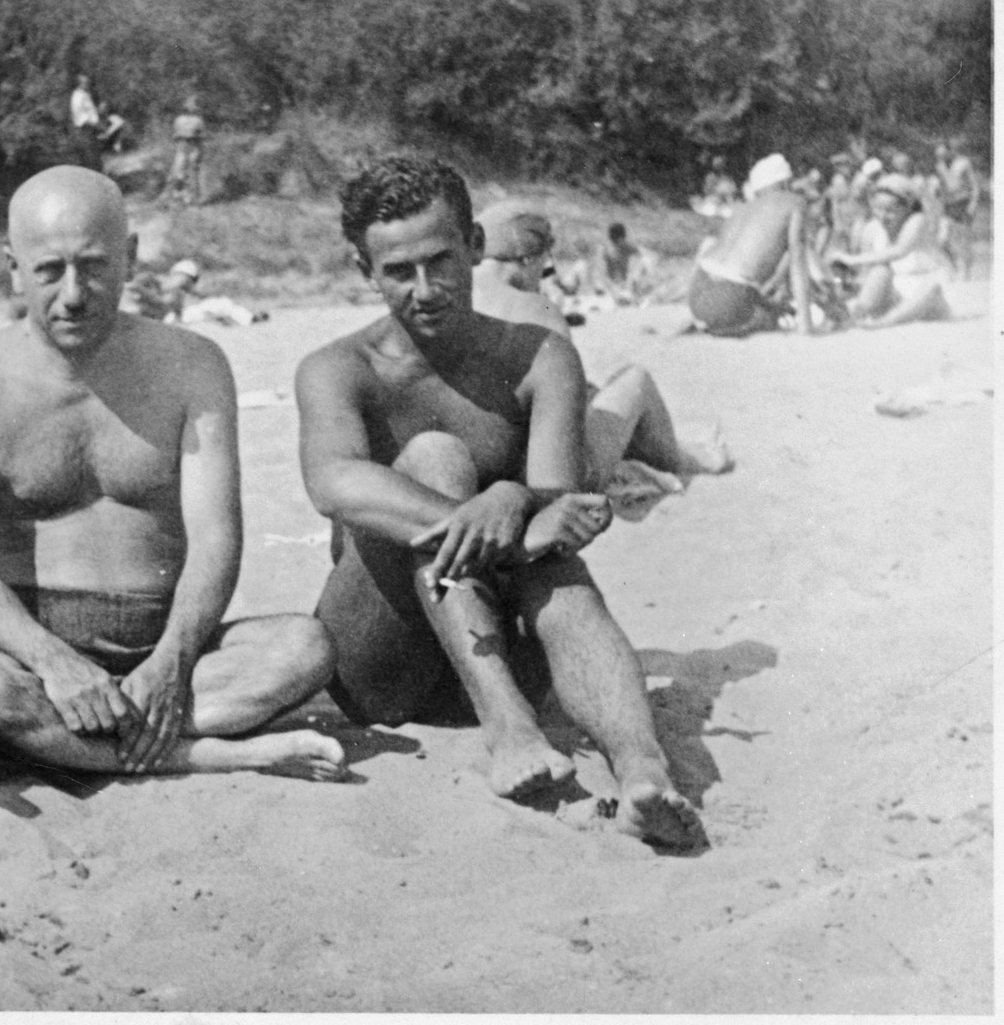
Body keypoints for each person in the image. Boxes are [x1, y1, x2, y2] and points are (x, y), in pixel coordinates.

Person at [295, 156, 701, 847]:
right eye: (397, 272)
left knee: (558, 572)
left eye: (439, 261)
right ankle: (508, 730)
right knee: (434, 458)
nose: (424, 290)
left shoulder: (537, 356)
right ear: (364, 270)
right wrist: (513, 513)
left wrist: (516, 497)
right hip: (381, 665)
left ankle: (642, 774)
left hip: (509, 645)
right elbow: (333, 481)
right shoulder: (338, 370)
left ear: (475, 247)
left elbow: (556, 511)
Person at [0, 166, 344, 781]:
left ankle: (52, 750)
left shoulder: (192, 364)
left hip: (167, 640)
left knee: (305, 648)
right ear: (13, 267)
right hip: (31, 653)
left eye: (93, 265)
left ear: (131, 255)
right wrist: (51, 662)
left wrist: (171, 659)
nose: (73, 293)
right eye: (48, 271)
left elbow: (215, 537)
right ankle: (209, 756)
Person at [471, 204, 731, 491]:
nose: (544, 278)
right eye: (544, 267)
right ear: (526, 258)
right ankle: (686, 459)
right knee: (635, 381)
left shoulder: (451, 300)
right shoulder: (539, 311)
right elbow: (569, 422)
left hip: (481, 471)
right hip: (549, 479)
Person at [687, 153, 815, 337]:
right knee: (774, 318)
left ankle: (713, 320)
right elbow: (798, 262)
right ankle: (727, 322)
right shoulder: (794, 203)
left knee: (756, 306)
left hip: (697, 291)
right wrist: (806, 325)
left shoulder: (741, 209)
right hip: (728, 300)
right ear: (785, 181)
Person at [833, 174, 953, 329]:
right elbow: (865, 276)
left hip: (928, 300)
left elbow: (900, 251)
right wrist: (841, 282)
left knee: (931, 287)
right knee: (880, 271)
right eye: (878, 209)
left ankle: (883, 323)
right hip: (893, 297)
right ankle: (855, 316)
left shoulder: (917, 221)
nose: (883, 216)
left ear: (907, 207)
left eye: (890, 211)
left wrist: (852, 259)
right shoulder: (871, 229)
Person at [934, 139, 981, 279]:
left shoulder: (963, 163)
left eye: (943, 154)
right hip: (948, 206)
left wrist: (973, 204)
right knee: (942, 241)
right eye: (938, 155)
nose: (940, 157)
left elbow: (974, 185)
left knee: (963, 241)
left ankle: (966, 272)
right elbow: (941, 188)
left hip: (963, 204)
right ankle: (954, 266)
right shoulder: (939, 166)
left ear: (950, 151)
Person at [166, 95, 206, 206]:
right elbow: (175, 135)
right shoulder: (179, 120)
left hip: (193, 146)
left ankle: (196, 199)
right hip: (182, 147)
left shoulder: (198, 120)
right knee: (179, 172)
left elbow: (201, 136)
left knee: (193, 172)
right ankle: (180, 198)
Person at [69, 74, 101, 164]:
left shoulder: (85, 94)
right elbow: (78, 114)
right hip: (85, 129)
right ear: (79, 83)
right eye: (85, 82)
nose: (87, 84)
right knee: (90, 156)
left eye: (88, 82)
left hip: (92, 128)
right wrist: (91, 124)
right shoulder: (77, 96)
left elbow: (90, 111)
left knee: (95, 155)